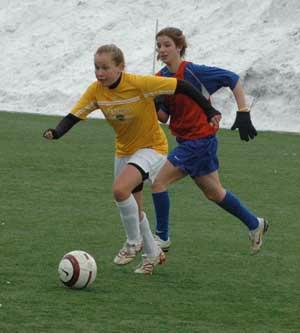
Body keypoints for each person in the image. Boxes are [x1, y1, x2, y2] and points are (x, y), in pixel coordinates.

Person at [43, 44, 221, 274]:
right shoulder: (96, 91)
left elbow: (183, 86)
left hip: (152, 148)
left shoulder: (139, 83)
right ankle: (152, 254)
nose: (100, 73)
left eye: (105, 67)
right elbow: (75, 115)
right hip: (124, 151)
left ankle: (133, 242)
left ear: (120, 67)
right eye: (96, 67)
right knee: (133, 207)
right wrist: (56, 132)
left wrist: (209, 111)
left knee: (119, 190)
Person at [152, 27, 268, 254]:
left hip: (200, 141)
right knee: (214, 193)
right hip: (187, 142)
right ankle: (255, 224)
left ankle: (162, 238)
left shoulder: (195, 72)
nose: (163, 50)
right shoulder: (160, 79)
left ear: (179, 47)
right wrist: (153, 102)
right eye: (159, 46)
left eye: (167, 45)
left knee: (158, 183)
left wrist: (243, 111)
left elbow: (232, 79)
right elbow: (164, 118)